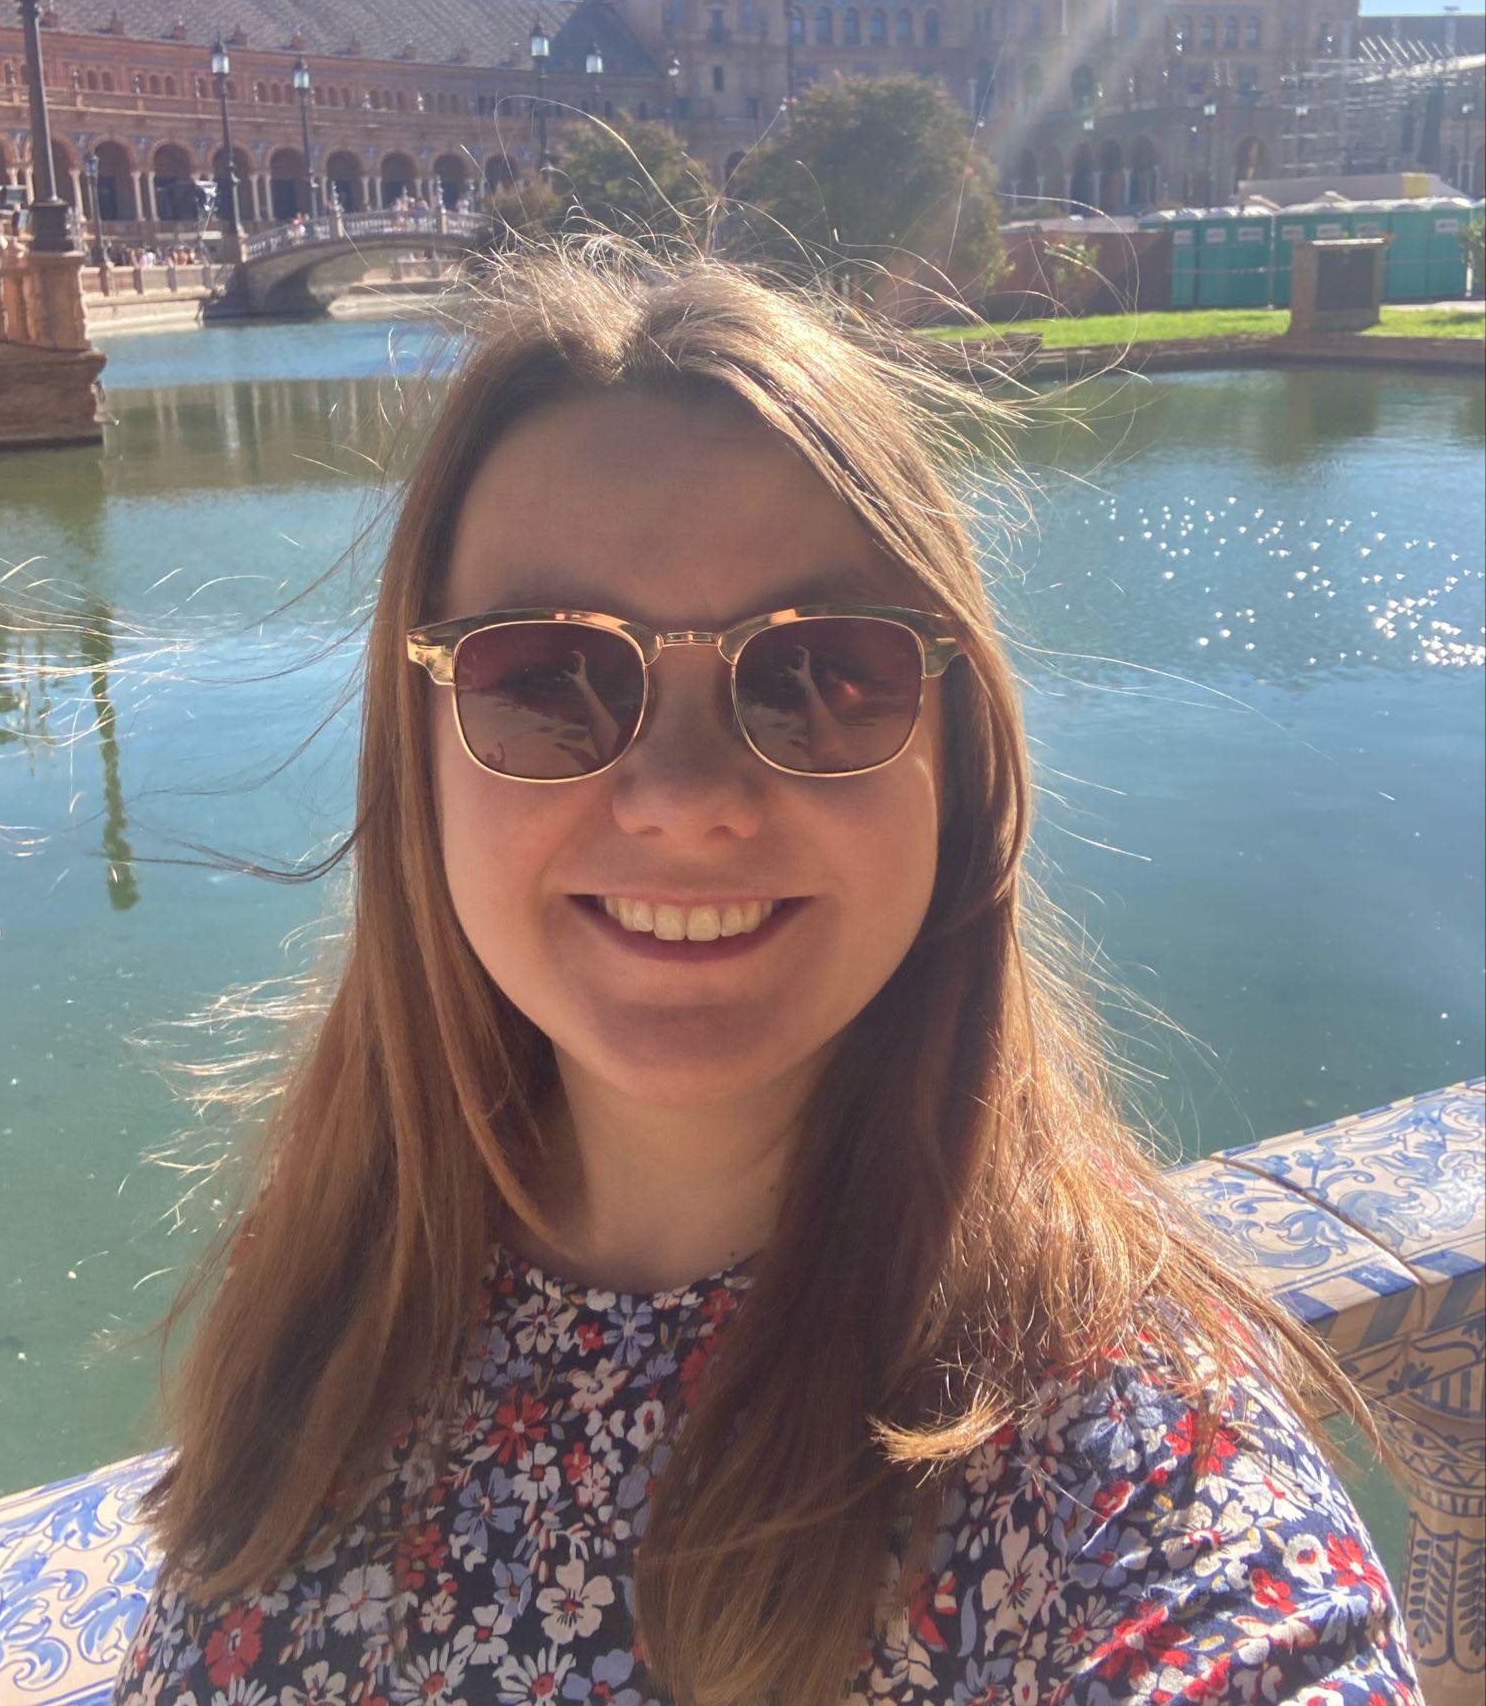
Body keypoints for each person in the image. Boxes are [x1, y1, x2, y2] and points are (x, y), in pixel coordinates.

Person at [109, 245, 1420, 1706]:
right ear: (415, 762)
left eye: (822, 672)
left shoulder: (1128, 1480)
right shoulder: (338, 1285)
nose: (684, 797)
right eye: (548, 676)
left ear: (958, 761)